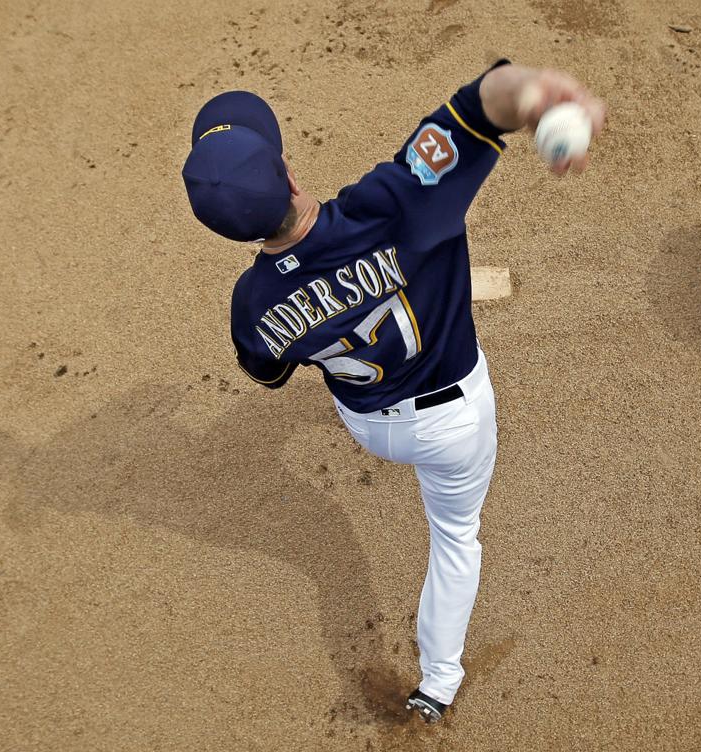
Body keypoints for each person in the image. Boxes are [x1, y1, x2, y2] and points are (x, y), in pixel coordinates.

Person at [181, 59, 604, 724]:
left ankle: (438, 684)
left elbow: (270, 371)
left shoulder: (252, 306)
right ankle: (437, 681)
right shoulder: (395, 202)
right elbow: (481, 105)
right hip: (455, 422)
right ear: (289, 174)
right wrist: (534, 92)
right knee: (457, 538)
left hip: (372, 424)